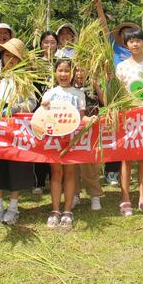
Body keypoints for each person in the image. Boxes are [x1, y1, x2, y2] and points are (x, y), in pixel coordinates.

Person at [0, 38, 36, 225]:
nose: (11, 59)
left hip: (16, 124)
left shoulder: (25, 79)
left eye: (15, 57)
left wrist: (15, 108)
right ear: (1, 56)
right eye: (7, 55)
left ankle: (13, 208)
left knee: (17, 166)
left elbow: (32, 103)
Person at [41, 58, 95, 229]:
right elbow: (41, 117)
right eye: (60, 70)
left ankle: (68, 211)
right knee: (56, 174)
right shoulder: (49, 94)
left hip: (72, 140)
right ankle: (55, 210)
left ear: (73, 73)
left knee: (71, 174)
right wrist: (44, 106)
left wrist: (90, 119)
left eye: (67, 71)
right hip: (54, 141)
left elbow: (81, 116)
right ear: (55, 73)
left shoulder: (79, 94)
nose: (63, 74)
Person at [93, 0, 139, 183]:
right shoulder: (113, 46)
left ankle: (125, 169)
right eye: (124, 34)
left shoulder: (135, 51)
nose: (128, 37)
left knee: (128, 131)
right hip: (113, 92)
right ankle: (111, 170)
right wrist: (99, 8)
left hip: (132, 96)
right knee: (113, 130)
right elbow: (103, 27)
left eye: (131, 34)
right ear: (119, 36)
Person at [116, 27, 143, 216]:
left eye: (138, 40)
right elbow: (117, 94)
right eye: (130, 41)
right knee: (126, 159)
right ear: (126, 45)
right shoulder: (121, 67)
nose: (135, 44)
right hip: (128, 118)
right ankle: (125, 199)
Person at [72, 67, 103, 211]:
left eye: (82, 70)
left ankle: (95, 196)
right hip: (71, 130)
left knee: (90, 165)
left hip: (91, 129)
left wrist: (97, 86)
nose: (79, 73)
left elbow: (106, 102)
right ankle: (74, 195)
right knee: (73, 165)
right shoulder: (68, 88)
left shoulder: (93, 86)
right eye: (76, 70)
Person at [32, 30, 58, 195]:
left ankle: (55, 179)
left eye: (52, 42)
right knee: (40, 144)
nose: (49, 45)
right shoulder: (34, 63)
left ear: (57, 45)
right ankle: (39, 182)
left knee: (56, 145)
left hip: (57, 110)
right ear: (41, 44)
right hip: (39, 108)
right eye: (45, 42)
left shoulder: (61, 62)